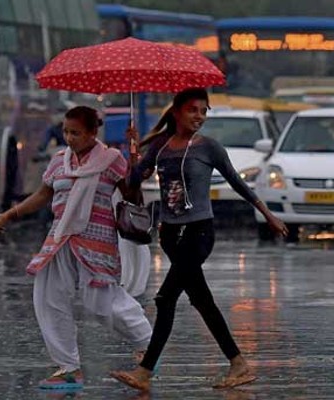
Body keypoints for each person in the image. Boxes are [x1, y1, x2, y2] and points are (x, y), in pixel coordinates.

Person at [109, 88, 288, 392]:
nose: (199, 117)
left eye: (204, 111)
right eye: (193, 110)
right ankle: (238, 364)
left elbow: (237, 182)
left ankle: (145, 371)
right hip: (169, 235)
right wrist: (134, 153)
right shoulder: (160, 147)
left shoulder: (209, 148)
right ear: (177, 111)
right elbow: (130, 186)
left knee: (166, 299)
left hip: (199, 232)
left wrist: (268, 214)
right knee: (201, 301)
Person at [0, 106, 153, 390]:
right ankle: (68, 369)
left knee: (101, 303)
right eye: (66, 132)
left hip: (96, 239)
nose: (70, 138)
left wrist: (134, 164)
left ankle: (148, 344)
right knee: (48, 296)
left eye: (76, 133)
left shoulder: (112, 160)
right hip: (60, 237)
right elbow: (43, 194)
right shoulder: (60, 161)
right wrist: (7, 216)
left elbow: (132, 195)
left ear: (92, 133)